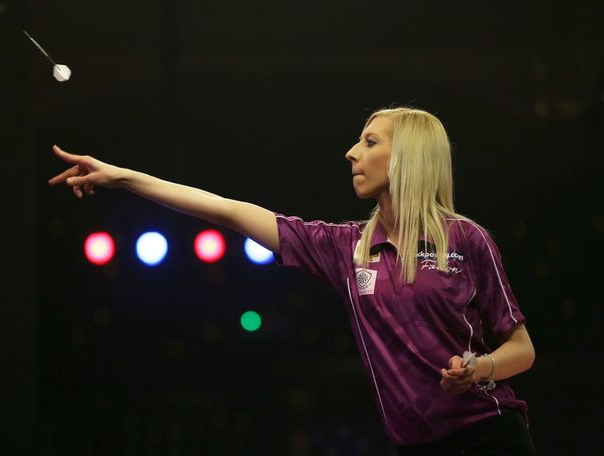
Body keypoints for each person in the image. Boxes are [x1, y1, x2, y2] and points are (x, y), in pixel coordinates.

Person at [49, 107, 537, 454]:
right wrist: (124, 177)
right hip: (413, 446)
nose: (351, 153)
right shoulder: (346, 248)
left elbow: (522, 348)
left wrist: (479, 370)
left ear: (408, 157)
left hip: (487, 436)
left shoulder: (467, 240)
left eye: (369, 142)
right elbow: (231, 211)